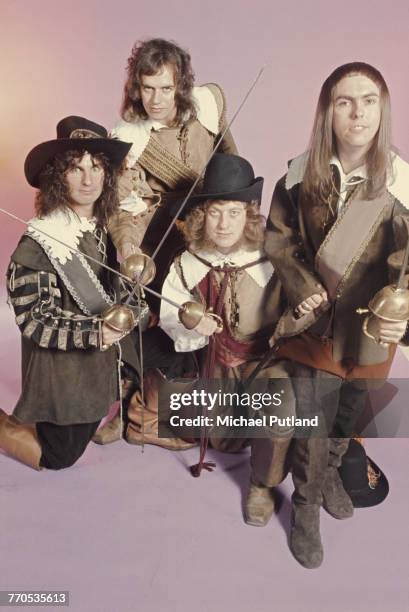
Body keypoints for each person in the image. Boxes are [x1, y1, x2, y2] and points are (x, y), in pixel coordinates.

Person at [265, 62, 409, 568]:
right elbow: (279, 240)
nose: (357, 113)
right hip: (319, 328)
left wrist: (402, 316)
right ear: (328, 110)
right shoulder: (299, 171)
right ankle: (305, 510)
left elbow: (406, 266)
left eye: (368, 100)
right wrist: (303, 288)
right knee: (314, 426)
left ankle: (328, 480)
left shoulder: (400, 183)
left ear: (383, 108)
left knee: (348, 419)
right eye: (344, 101)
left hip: (368, 334)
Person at [95, 37, 238, 445]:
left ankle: (162, 413)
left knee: (210, 322)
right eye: (147, 87)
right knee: (146, 321)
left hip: (209, 226)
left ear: (181, 86)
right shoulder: (127, 136)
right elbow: (124, 207)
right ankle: (129, 411)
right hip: (157, 233)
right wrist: (130, 250)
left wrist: (237, 216)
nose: (155, 99)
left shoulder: (209, 107)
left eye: (165, 88)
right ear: (135, 87)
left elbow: (233, 166)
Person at [160, 153, 295, 519]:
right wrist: (192, 325)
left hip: (263, 363)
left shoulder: (272, 258)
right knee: (171, 409)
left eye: (234, 212)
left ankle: (262, 486)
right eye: (216, 211)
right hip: (212, 363)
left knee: (280, 407)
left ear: (249, 215)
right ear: (203, 215)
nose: (223, 223)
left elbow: (296, 315)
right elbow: (169, 314)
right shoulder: (188, 262)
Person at [0, 116, 139, 470]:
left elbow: (111, 290)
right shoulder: (39, 241)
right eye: (76, 169)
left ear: (107, 175)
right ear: (58, 177)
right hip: (60, 368)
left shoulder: (98, 229)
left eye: (96, 167)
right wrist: (98, 331)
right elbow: (35, 319)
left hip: (96, 362)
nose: (88, 179)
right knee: (59, 457)